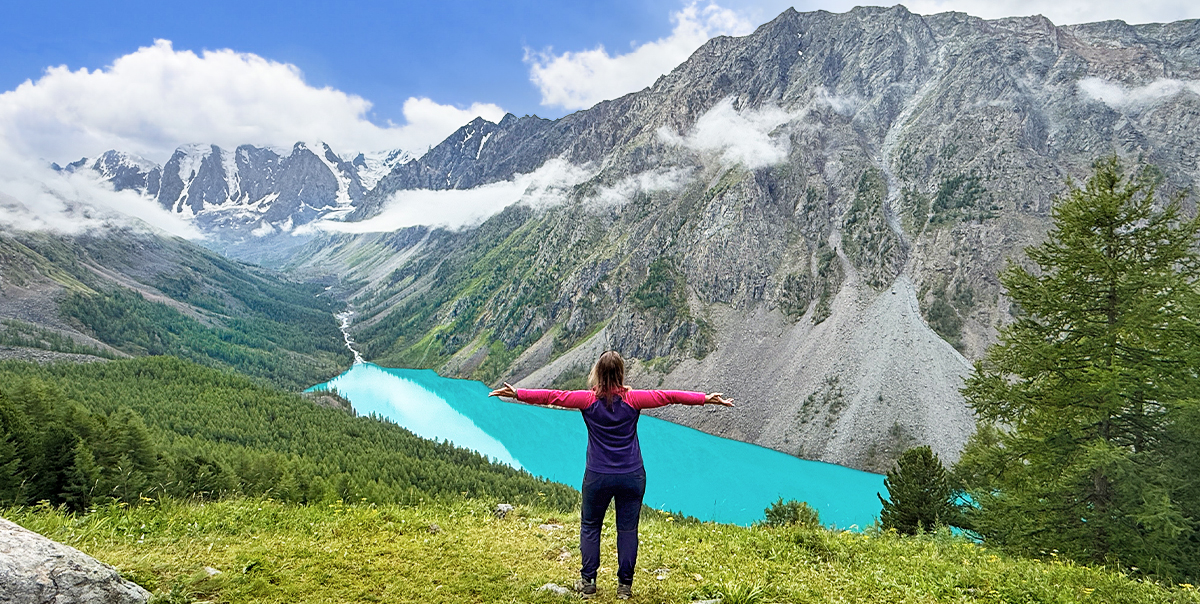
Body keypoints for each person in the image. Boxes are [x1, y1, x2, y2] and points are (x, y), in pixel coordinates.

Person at [489, 350, 733, 600]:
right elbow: (668, 396)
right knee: (627, 529)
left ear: (597, 372)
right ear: (621, 373)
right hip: (632, 475)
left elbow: (554, 396)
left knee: (590, 526)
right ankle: (624, 586)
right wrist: (705, 399)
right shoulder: (633, 399)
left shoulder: (587, 400)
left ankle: (588, 582)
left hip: (598, 476)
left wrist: (517, 393)